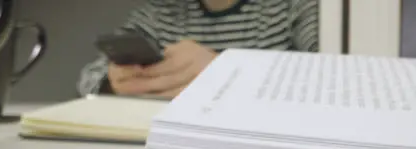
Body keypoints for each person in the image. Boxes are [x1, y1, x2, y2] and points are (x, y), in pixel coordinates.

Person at [78, 0, 318, 99]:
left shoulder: (295, 7)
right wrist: (115, 82)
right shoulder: (161, 11)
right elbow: (89, 79)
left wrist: (227, 71)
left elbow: (333, 77)